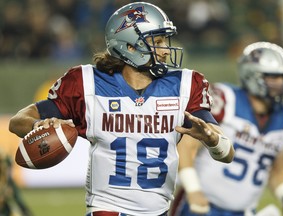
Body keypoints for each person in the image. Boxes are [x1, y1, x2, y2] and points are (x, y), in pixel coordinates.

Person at [8, 2, 234, 216]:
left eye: (166, 41)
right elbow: (18, 121)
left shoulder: (185, 85)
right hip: (108, 208)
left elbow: (227, 153)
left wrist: (213, 140)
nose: (166, 50)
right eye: (158, 41)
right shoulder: (86, 84)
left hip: (159, 210)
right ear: (129, 46)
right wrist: (40, 124)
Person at [171, 42, 283, 216]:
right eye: (274, 77)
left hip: (244, 211)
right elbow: (187, 144)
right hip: (202, 206)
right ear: (252, 75)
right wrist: (193, 188)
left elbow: (276, 169)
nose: (280, 83)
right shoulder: (226, 99)